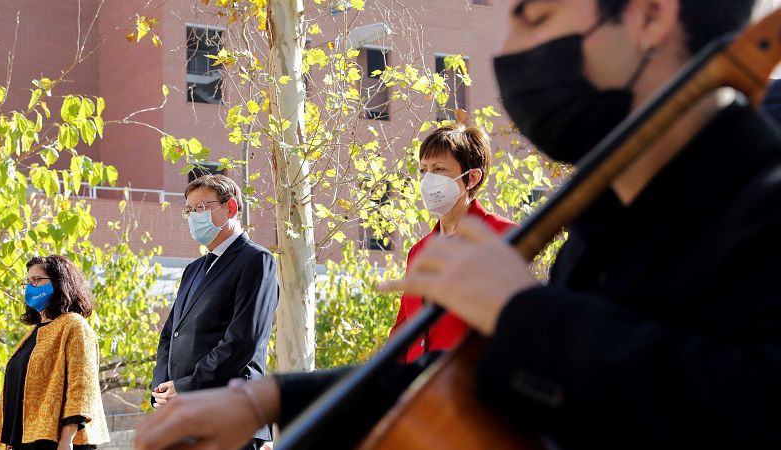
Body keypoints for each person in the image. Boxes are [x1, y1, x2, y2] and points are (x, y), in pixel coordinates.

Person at [133, 1, 781, 449]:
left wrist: (522, 311)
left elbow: (747, 408)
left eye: (536, 15)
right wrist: (263, 400)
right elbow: (460, 372)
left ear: (648, 14)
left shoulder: (764, 208)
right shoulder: (598, 234)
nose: (508, 52)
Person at [148, 174, 278, 450]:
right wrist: (162, 389)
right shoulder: (193, 269)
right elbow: (171, 335)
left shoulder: (256, 260)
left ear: (230, 208)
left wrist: (187, 386)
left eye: (201, 208)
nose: (193, 216)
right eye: (189, 210)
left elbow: (244, 339)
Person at [389, 123, 515, 363]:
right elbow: (402, 332)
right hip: (420, 390)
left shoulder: (503, 235)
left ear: (472, 177)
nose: (428, 179)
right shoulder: (419, 251)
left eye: (439, 169)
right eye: (424, 170)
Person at [0, 255, 109, 450]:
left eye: (36, 280)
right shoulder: (34, 333)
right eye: (28, 281)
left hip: (58, 442)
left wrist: (67, 439)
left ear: (60, 283)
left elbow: (82, 385)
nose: (30, 287)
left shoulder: (74, 325)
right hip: (27, 441)